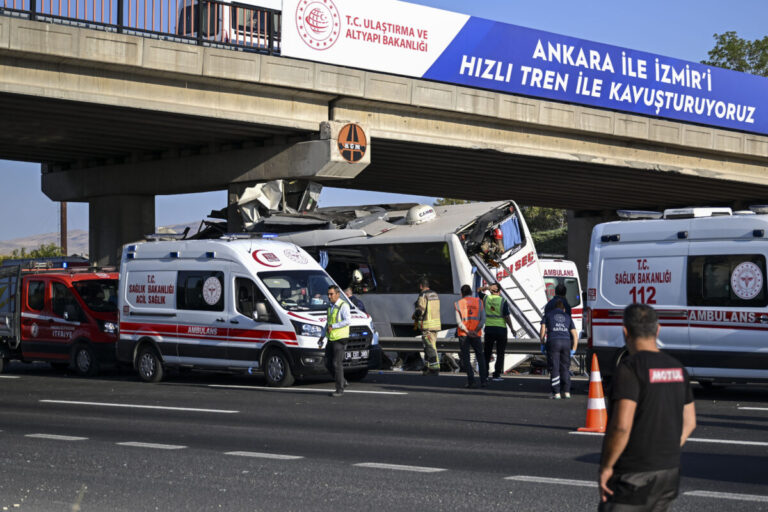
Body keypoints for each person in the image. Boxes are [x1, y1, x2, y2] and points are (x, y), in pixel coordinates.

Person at [598, 303, 697, 511]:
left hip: (634, 475)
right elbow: (690, 422)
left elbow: (621, 426)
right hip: (668, 473)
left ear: (625, 332)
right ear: (658, 329)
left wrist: (607, 466)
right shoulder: (678, 369)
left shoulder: (630, 368)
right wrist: (666, 450)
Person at [539, 298, 578, 399]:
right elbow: (575, 335)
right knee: (565, 367)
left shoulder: (548, 315)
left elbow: (543, 328)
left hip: (553, 342)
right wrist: (574, 348)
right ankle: (567, 392)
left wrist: (542, 343)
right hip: (566, 342)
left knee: (555, 367)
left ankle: (556, 393)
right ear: (563, 309)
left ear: (554, 308)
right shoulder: (568, 317)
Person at [478, 283, 515, 381]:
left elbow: (478, 291)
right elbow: (506, 316)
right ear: (500, 291)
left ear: (491, 290)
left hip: (489, 328)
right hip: (501, 329)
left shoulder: (486, 298)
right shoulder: (503, 301)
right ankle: (497, 374)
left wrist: (486, 288)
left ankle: (485, 374)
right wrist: (512, 328)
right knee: (500, 352)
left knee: (487, 352)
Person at [455, 284, 487, 388]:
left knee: (466, 358)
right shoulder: (479, 302)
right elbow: (483, 320)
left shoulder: (458, 304)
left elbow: (459, 322)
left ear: (461, 293)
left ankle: (471, 381)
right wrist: (475, 330)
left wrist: (468, 331)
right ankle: (484, 381)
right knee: (480, 357)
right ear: (471, 292)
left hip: (464, 334)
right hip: (476, 334)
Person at [323, 285, 351, 397]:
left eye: (331, 294)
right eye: (328, 294)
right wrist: (322, 336)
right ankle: (342, 381)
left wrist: (334, 326)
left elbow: (348, 320)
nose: (329, 296)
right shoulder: (330, 306)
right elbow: (328, 323)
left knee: (336, 364)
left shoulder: (343, 306)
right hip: (331, 338)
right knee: (327, 362)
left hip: (340, 338)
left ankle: (340, 389)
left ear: (337, 294)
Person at [413, 277, 441, 375]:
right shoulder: (435, 294)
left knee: (429, 346)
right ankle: (429, 367)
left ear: (421, 286)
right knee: (432, 346)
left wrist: (415, 315)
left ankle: (434, 367)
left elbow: (420, 310)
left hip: (427, 324)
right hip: (436, 324)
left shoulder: (423, 295)